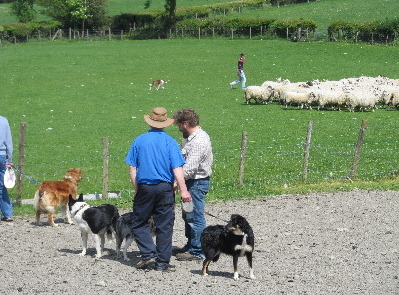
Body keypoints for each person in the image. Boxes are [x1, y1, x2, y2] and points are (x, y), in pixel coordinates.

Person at [125, 107, 191, 272]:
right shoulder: (170, 142)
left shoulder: (139, 141)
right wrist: (184, 190)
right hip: (165, 188)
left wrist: (137, 188)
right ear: (165, 123)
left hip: (146, 186)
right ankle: (162, 263)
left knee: (138, 222)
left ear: (150, 122)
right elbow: (177, 169)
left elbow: (132, 168)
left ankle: (148, 254)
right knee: (165, 225)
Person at [172, 108, 213, 261]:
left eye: (179, 125)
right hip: (191, 182)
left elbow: (189, 169)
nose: (178, 128)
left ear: (186, 124)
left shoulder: (198, 142)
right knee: (188, 215)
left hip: (196, 183)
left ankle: (198, 250)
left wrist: (176, 182)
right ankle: (191, 244)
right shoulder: (192, 138)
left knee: (195, 216)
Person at [0, 116, 13, 222]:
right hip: (2, 156)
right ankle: (7, 213)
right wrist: (9, 159)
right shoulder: (4, 120)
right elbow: (9, 142)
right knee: (2, 185)